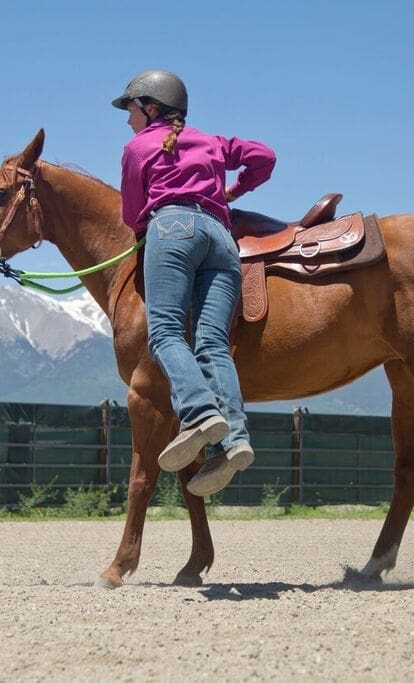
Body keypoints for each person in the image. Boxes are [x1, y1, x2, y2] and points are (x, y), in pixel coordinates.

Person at [112, 70, 276, 497]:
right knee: (212, 344)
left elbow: (132, 215)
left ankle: (200, 415)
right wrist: (233, 192)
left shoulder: (137, 147)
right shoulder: (212, 141)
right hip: (222, 239)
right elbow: (265, 156)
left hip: (172, 228)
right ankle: (234, 440)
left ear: (150, 107)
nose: (128, 119)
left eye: (130, 109)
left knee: (165, 334)